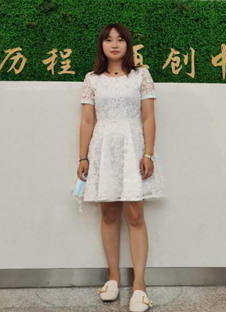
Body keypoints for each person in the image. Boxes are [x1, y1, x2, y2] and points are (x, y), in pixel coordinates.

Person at [77, 23, 167, 311]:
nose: (114, 44)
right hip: (103, 148)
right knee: (109, 214)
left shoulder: (141, 76)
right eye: (108, 40)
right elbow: (87, 121)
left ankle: (139, 285)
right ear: (101, 45)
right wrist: (83, 158)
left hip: (133, 147)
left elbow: (148, 118)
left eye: (119, 39)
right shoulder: (92, 79)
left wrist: (148, 154)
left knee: (135, 215)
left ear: (128, 44)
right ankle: (113, 277)